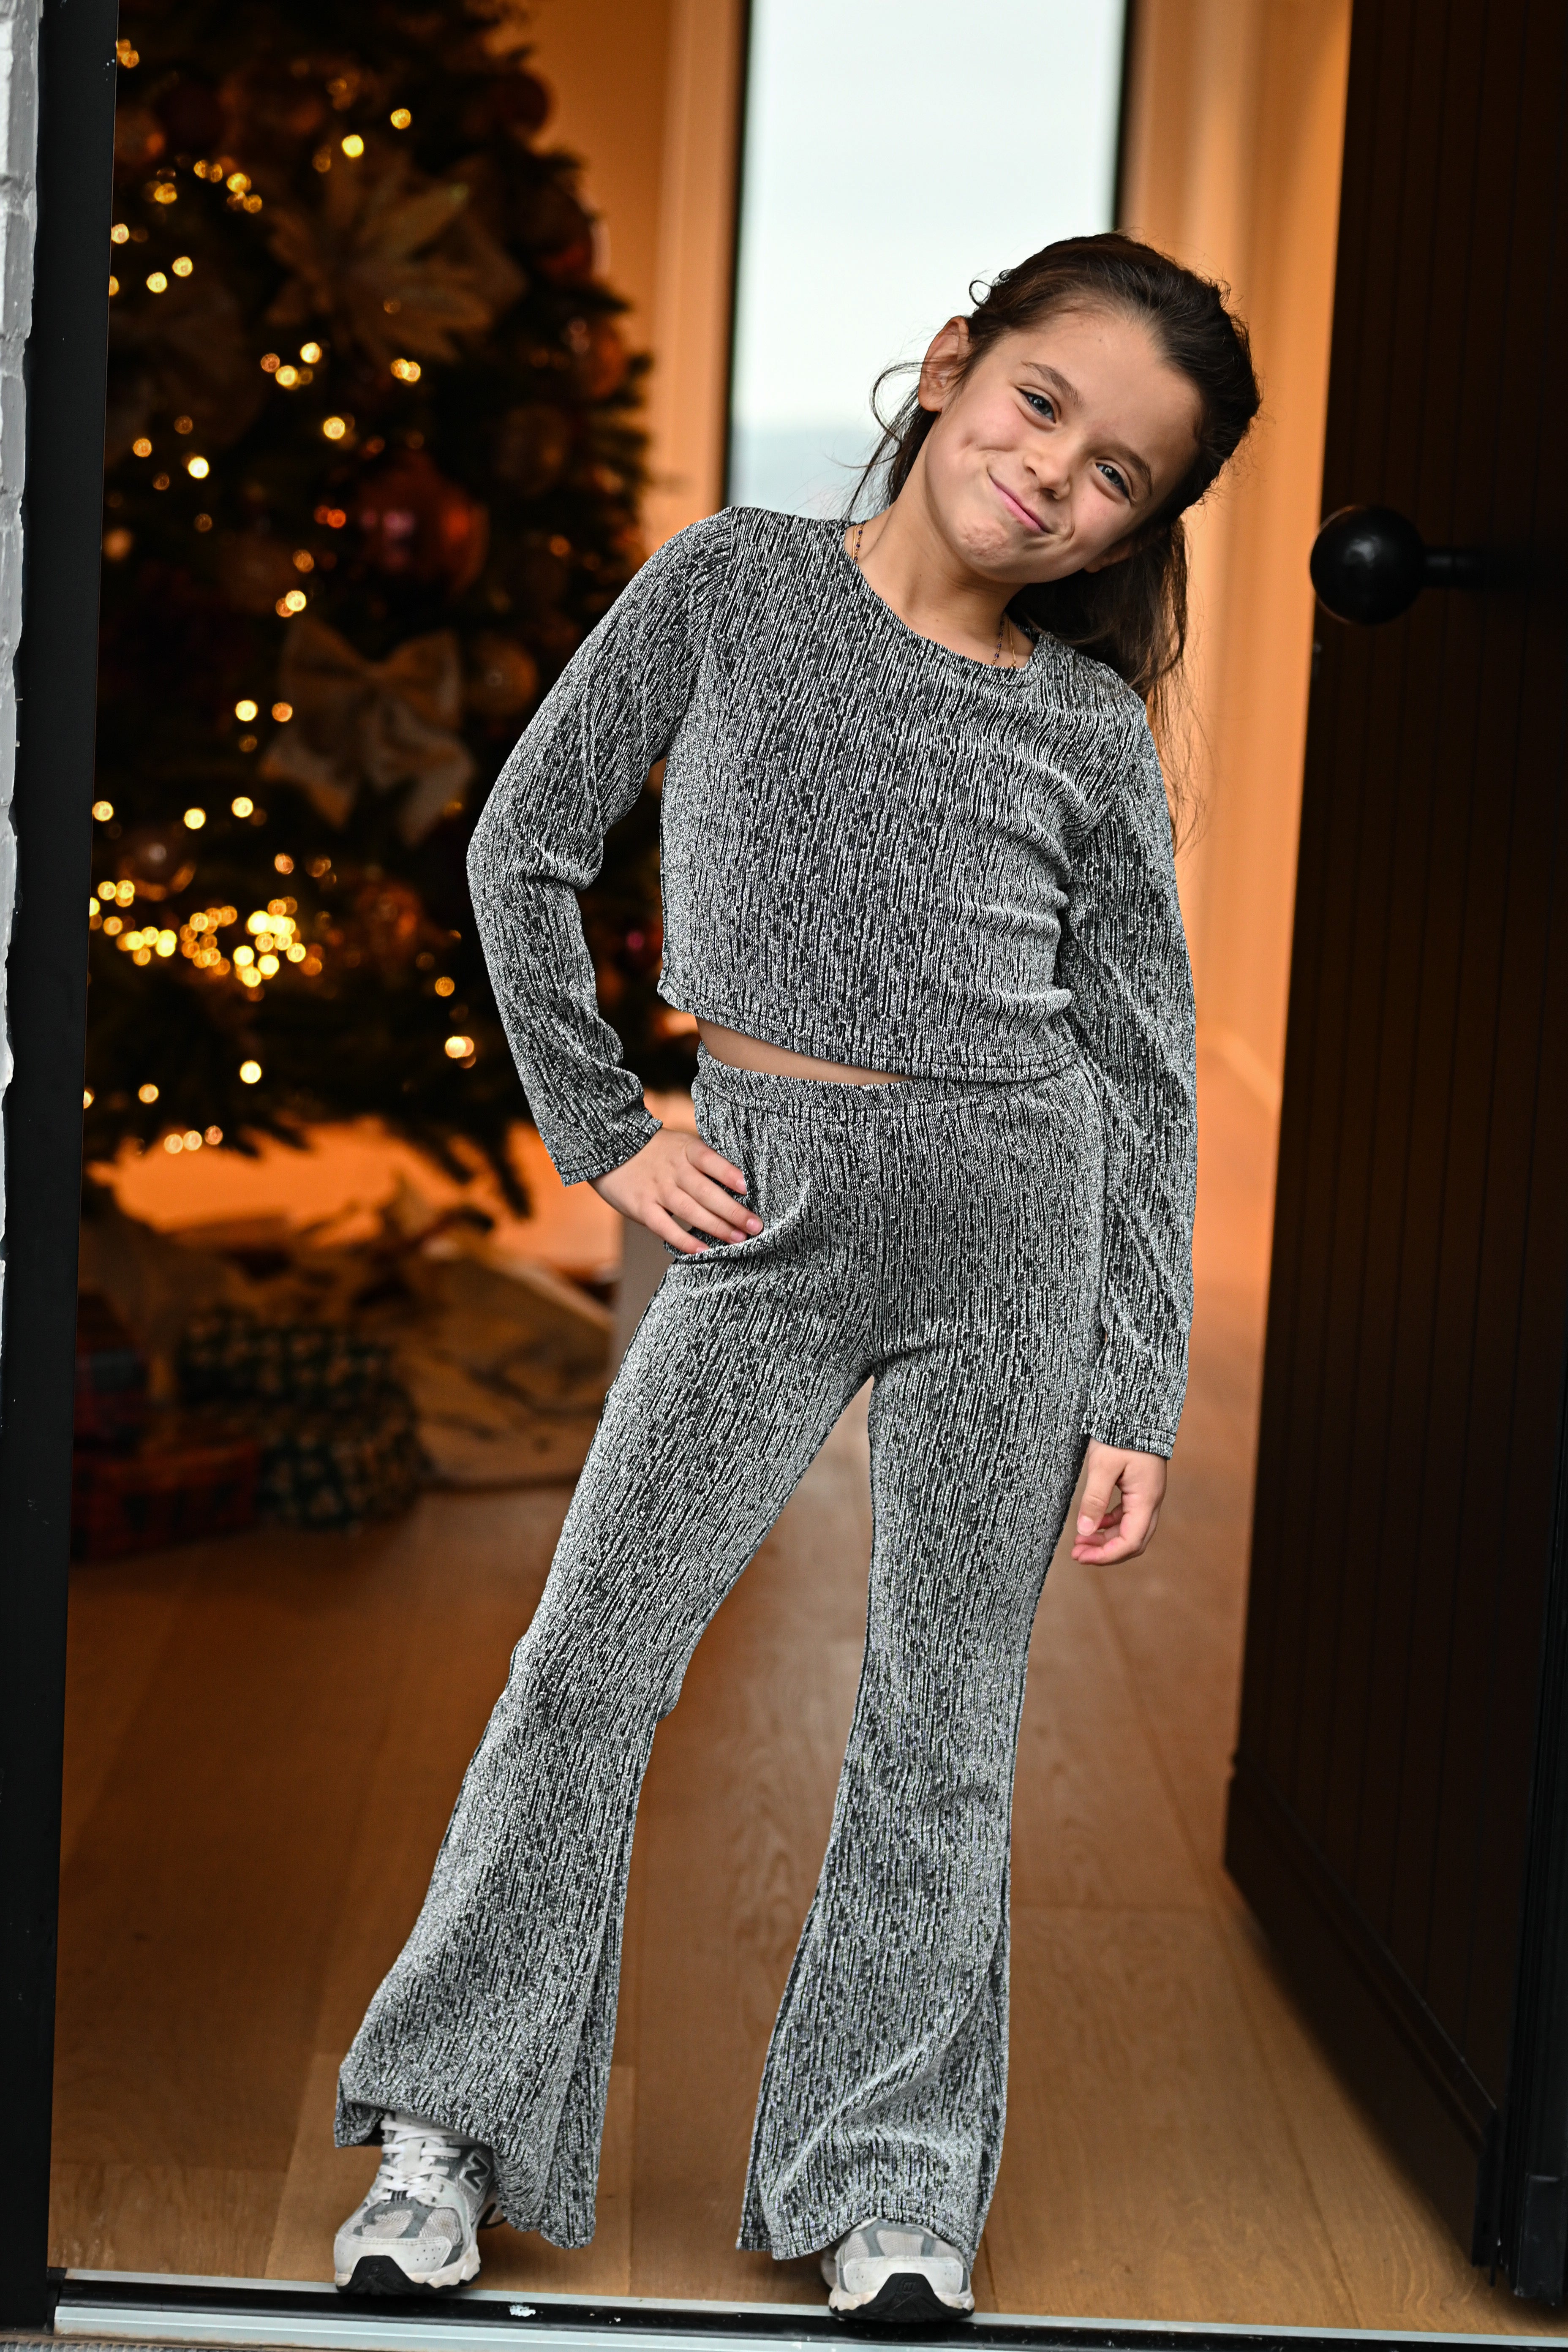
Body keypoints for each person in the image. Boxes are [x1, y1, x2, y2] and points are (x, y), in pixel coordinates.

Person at [330, 231, 1260, 2323]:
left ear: (1135, 532)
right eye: (1039, 404)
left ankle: (891, 2179)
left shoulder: (1086, 727)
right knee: (587, 1664)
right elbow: (520, 844)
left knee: (943, 1723)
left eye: (1116, 474)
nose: (1054, 473)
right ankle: (444, 2125)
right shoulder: (732, 584)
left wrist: (1135, 1379)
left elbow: (1141, 1061)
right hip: (761, 1215)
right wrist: (604, 1127)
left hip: (1013, 1229)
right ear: (951, 365)